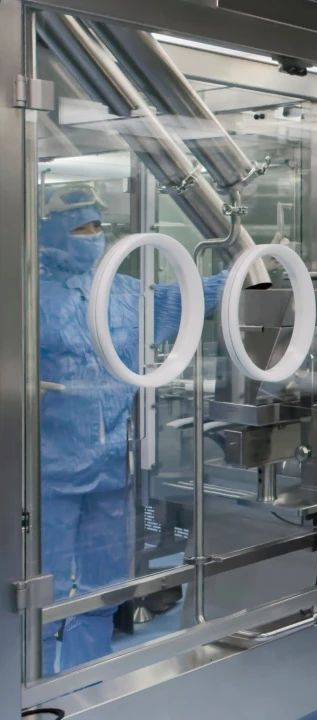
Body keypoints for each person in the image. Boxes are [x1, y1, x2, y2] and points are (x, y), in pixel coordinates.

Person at [38, 183, 226, 674]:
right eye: (80, 227)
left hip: (112, 467)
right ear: (47, 231)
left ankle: (88, 678)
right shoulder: (26, 294)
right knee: (41, 586)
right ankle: (30, 686)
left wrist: (243, 271)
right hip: (45, 472)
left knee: (104, 581)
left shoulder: (120, 293)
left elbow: (182, 299)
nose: (92, 236)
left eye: (97, 226)